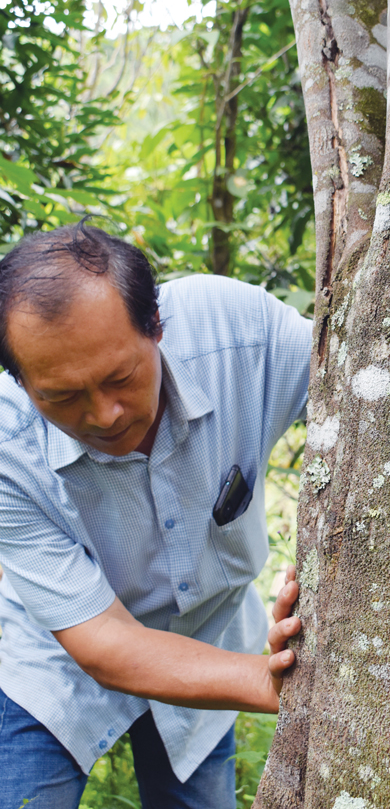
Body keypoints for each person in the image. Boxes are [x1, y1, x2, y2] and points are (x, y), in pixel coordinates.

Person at [0, 221, 312, 808]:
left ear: (157, 327)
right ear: (20, 381)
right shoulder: (7, 451)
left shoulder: (238, 336)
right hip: (56, 660)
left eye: (121, 377)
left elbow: (369, 388)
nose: (104, 415)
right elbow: (104, 641)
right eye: (62, 397)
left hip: (208, 635)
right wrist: (264, 680)